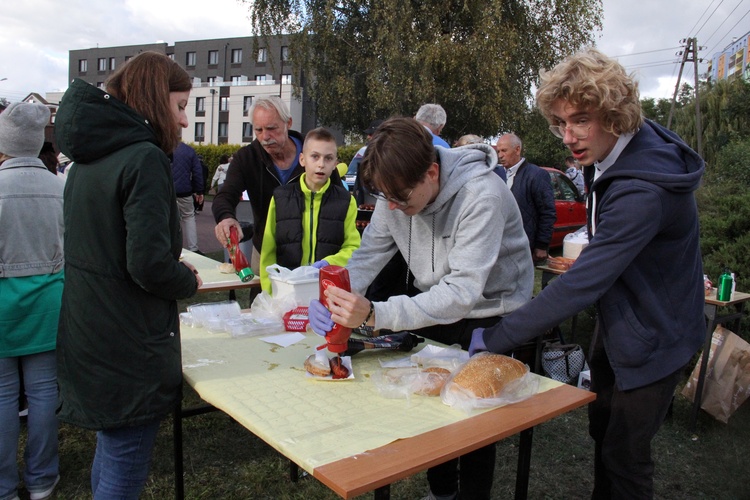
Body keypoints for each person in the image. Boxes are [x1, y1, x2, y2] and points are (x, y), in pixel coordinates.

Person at [470, 48, 705, 499]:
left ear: (615, 113)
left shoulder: (643, 189)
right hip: (622, 320)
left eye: (580, 119)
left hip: (658, 332)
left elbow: (583, 282)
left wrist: (500, 336)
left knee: (627, 456)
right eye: (560, 122)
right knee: (602, 430)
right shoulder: (615, 148)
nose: (568, 135)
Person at [308, 117, 533, 500]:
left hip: (492, 310)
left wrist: (375, 314)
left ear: (431, 172)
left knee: (475, 416)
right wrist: (335, 292)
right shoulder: (394, 190)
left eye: (401, 200)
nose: (394, 208)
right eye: (387, 200)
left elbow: (463, 291)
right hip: (435, 304)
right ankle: (442, 493)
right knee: (434, 409)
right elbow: (369, 255)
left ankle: (472, 496)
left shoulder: (483, 195)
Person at [54, 51, 203, 500]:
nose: (181, 121)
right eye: (179, 107)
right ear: (157, 101)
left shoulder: (88, 160)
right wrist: (186, 280)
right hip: (126, 341)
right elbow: (148, 264)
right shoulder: (143, 158)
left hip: (90, 328)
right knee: (125, 458)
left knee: (113, 446)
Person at [0, 102, 64, 500]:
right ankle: (42, 479)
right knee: (43, 394)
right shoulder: (61, 188)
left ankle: (3, 485)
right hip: (49, 303)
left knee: (4, 397)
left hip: (3, 305)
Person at [212, 96, 343, 274]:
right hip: (266, 249)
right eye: (258, 130)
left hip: (313, 253)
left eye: (272, 128)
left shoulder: (314, 152)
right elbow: (226, 195)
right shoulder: (247, 158)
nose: (265, 136)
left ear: (288, 123)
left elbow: (338, 197)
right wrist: (226, 217)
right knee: (262, 299)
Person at [259, 128, 360, 292]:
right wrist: (270, 292)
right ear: (302, 159)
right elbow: (268, 251)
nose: (321, 164)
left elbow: (353, 247)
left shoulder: (346, 201)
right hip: (287, 291)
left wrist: (330, 263)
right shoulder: (281, 198)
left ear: (335, 164)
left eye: (328, 158)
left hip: (328, 290)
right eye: (315, 156)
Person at [495, 133, 556, 263]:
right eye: (498, 151)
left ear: (517, 150)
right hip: (501, 246)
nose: (500, 155)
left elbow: (547, 212)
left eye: (504, 150)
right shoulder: (497, 175)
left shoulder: (536, 175)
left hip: (525, 246)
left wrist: (541, 245)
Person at [171, 142, 204, 252]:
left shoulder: (163, 147)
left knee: (168, 219)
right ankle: (193, 248)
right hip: (184, 191)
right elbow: (197, 172)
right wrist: (199, 191)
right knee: (189, 217)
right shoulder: (189, 151)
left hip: (167, 190)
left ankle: (170, 248)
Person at [348, 119, 383, 205]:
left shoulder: (389, 153)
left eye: (371, 134)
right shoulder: (364, 151)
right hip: (368, 197)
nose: (368, 137)